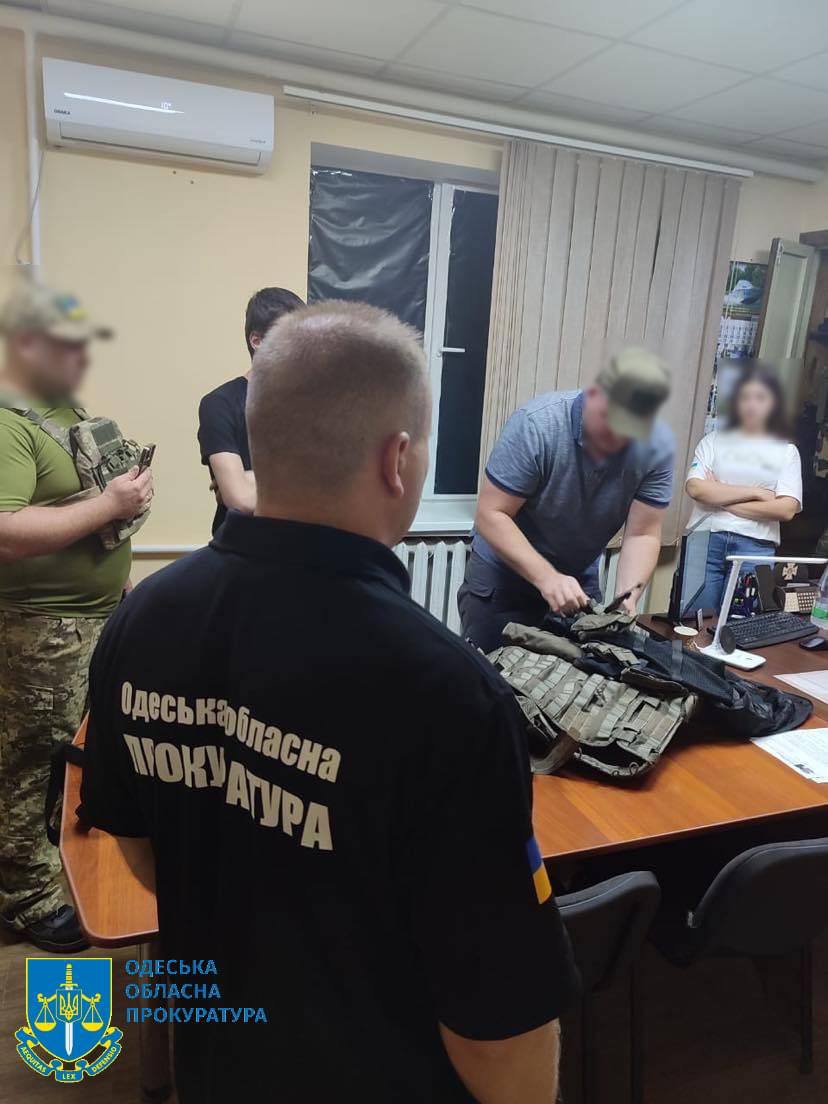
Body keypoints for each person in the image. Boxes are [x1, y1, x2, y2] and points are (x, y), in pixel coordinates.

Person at [81, 301, 579, 1104]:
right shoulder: (448, 691)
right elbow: (497, 1023)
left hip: (218, 1065)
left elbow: (143, 851)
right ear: (398, 460)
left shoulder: (142, 618)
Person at [0, 280, 153, 953]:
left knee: (68, 759)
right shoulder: (9, 424)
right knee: (27, 766)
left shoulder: (67, 415)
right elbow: (5, 530)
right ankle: (25, 899)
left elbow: (82, 515)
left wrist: (119, 583)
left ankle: (49, 868)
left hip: (91, 623)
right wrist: (112, 505)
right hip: (40, 632)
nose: (80, 356)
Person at [459, 347, 674, 652]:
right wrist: (547, 577)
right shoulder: (536, 426)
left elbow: (643, 533)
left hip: (577, 578)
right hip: (503, 577)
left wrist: (627, 598)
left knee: (582, 671)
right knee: (489, 673)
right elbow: (491, 514)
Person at [685, 362, 802, 612]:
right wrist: (756, 493)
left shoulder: (786, 452)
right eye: (744, 397)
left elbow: (785, 509)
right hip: (705, 540)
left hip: (754, 547)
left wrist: (720, 496)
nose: (751, 405)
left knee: (741, 623)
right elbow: (696, 489)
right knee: (693, 620)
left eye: (760, 398)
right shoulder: (712, 442)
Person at [198, 286, 304, 533]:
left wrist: (247, 478)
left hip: (305, 546)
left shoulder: (315, 404)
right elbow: (241, 499)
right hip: (243, 547)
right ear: (257, 341)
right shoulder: (220, 403)